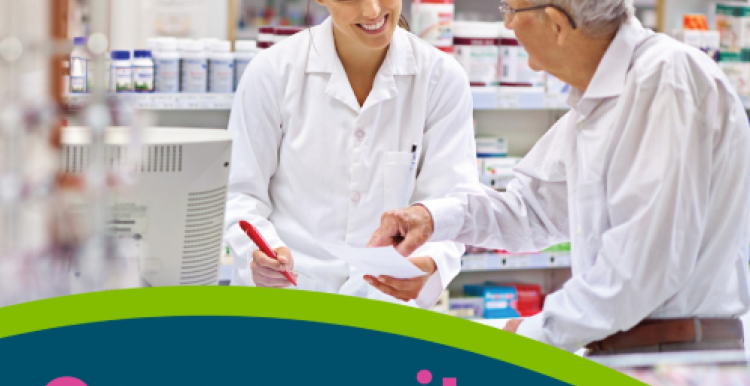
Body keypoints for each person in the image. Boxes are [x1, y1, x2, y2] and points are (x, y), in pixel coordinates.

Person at [368, 0, 750, 354]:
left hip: (675, 354)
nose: (507, 23)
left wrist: (527, 335)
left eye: (512, 9)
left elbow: (642, 268)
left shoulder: (663, 81)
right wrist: (433, 218)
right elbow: (530, 211)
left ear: (555, 23)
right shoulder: (601, 100)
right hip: (629, 350)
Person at [223, 0, 479, 308]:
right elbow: (239, 192)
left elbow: (451, 204)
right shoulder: (273, 71)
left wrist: (430, 263)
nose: (372, 11)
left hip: (384, 307)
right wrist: (260, 252)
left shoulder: (441, 78)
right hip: (288, 299)